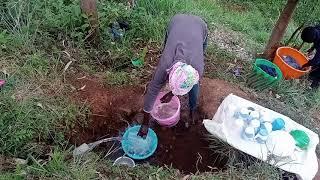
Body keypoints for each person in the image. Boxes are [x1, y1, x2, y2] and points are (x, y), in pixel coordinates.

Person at [137, 14, 208, 137]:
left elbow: (189, 83)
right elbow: (153, 89)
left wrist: (172, 93)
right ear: (169, 73)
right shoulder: (165, 65)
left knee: (195, 89)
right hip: (176, 22)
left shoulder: (198, 68)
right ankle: (192, 109)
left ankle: (193, 109)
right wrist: (145, 123)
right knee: (167, 48)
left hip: (200, 26)